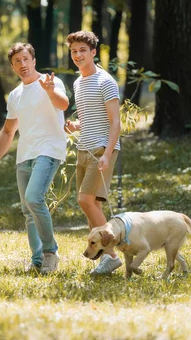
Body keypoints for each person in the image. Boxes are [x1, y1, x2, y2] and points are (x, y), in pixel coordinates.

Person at [0, 42, 69, 274]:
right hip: (25, 155)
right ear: (12, 66)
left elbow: (63, 104)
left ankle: (51, 253)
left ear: (33, 60)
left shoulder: (50, 82)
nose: (22, 65)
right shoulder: (15, 95)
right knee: (27, 209)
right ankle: (38, 260)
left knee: (33, 198)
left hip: (49, 150)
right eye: (17, 62)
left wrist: (50, 91)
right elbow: (8, 131)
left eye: (25, 59)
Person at [64, 30, 122, 275]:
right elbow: (90, 117)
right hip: (83, 148)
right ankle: (104, 258)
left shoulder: (105, 81)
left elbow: (115, 121)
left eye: (82, 51)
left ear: (93, 53)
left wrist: (108, 154)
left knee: (84, 200)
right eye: (74, 51)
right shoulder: (78, 82)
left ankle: (112, 255)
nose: (78, 55)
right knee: (92, 208)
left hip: (101, 150)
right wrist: (77, 125)